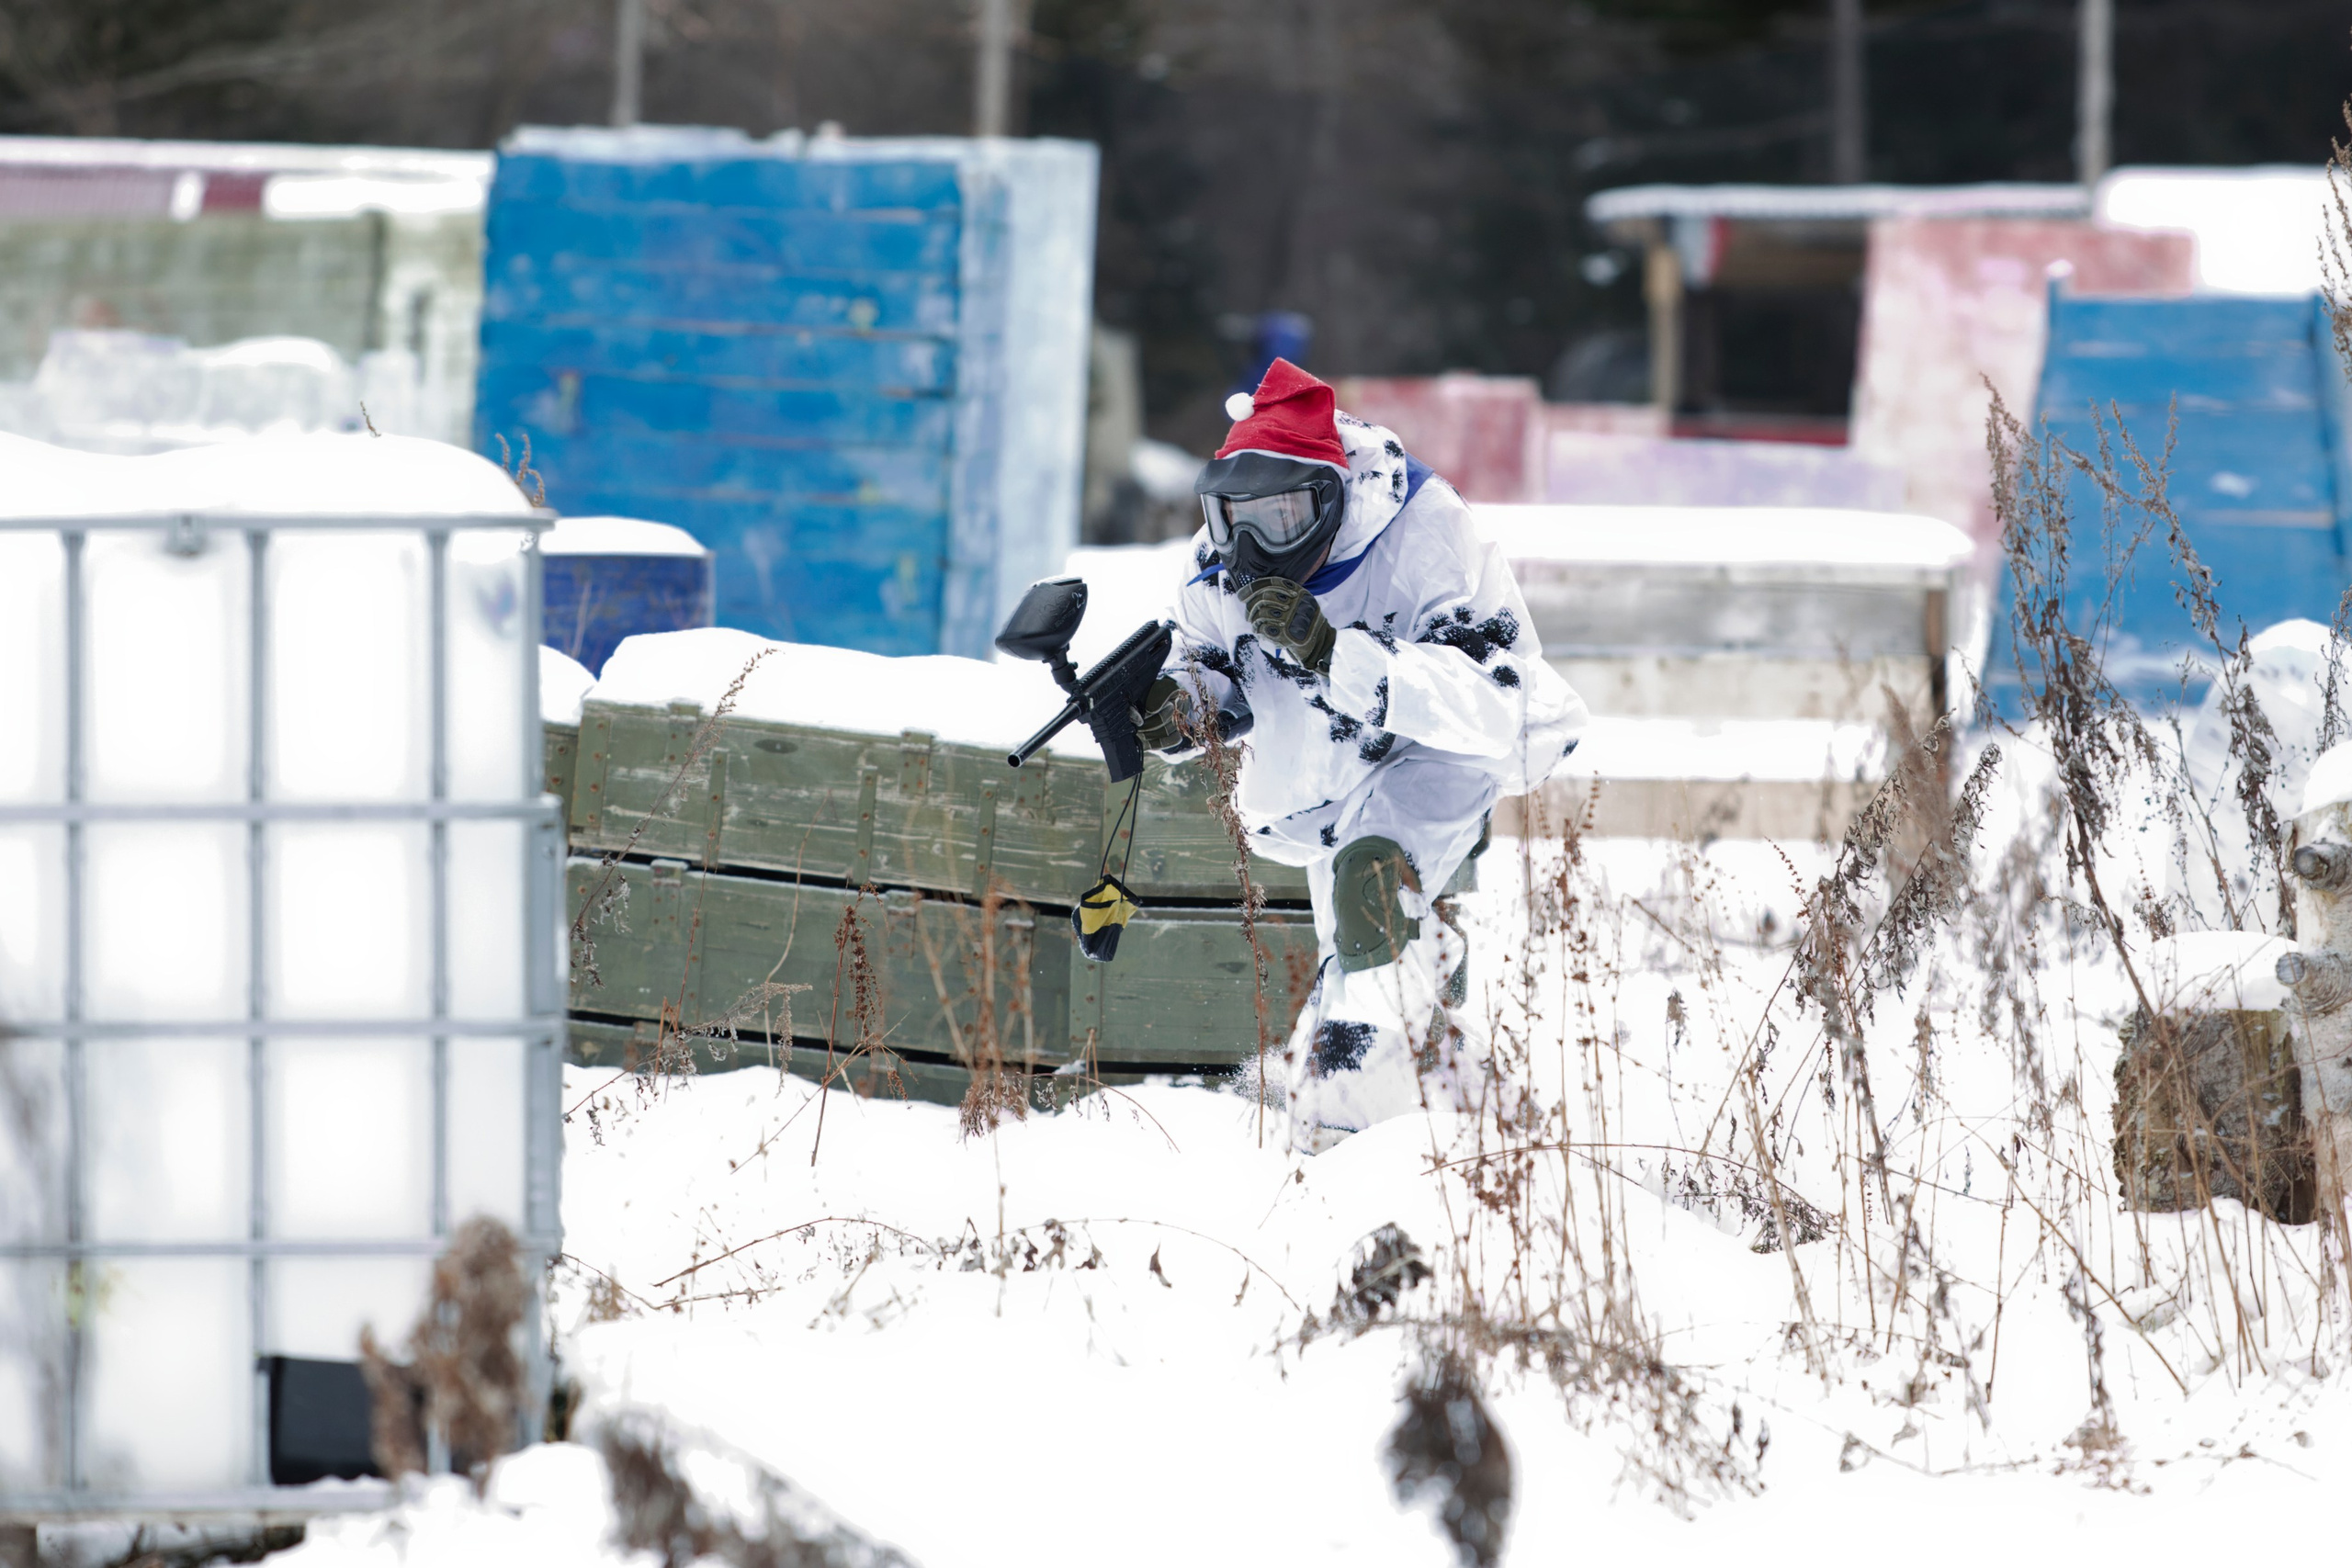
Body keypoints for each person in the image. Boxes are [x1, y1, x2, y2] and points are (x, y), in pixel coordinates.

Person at [1135, 358, 1589, 1150]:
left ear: (1330, 498)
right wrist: (1180, 708)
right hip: (1325, 779)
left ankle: (1337, 1125)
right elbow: (1209, 659)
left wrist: (1334, 652)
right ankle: (1485, 1120)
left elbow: (1504, 698)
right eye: (1234, 517)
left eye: (1280, 517)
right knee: (1363, 953)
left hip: (1438, 750)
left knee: (1372, 895)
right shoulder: (1218, 561)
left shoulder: (1424, 531)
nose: (1253, 544)